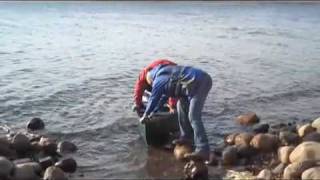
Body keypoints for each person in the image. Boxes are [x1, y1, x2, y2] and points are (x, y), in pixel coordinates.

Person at [140, 65, 212, 161]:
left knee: (193, 116)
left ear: (151, 79)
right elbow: (162, 98)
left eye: (150, 84)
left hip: (201, 83)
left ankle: (203, 149)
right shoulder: (164, 76)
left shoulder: (158, 80)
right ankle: (186, 137)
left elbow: (154, 98)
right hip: (190, 88)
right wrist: (153, 112)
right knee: (180, 105)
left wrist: (145, 115)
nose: (151, 86)